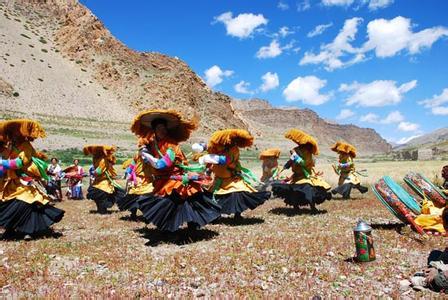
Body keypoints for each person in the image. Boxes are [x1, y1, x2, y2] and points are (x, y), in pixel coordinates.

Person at [131, 109, 221, 233]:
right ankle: (170, 228)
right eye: (159, 128)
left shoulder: (171, 144)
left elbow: (164, 163)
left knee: (182, 202)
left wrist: (148, 157)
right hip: (161, 180)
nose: (162, 130)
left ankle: (190, 227)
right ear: (154, 130)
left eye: (164, 128)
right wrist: (144, 152)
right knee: (169, 204)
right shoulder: (152, 144)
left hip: (174, 179)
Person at [0, 119, 64, 240]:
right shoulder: (12, 147)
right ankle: (10, 229)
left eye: (15, 133)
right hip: (12, 183)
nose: (13, 136)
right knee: (8, 203)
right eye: (11, 133)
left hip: (24, 182)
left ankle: (27, 231)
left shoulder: (26, 146)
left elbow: (19, 163)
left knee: (24, 203)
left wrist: (2, 162)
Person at [199, 129, 271, 219]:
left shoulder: (234, 150)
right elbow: (211, 150)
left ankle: (237, 213)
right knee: (216, 195)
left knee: (237, 194)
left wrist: (211, 158)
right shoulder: (220, 147)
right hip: (219, 179)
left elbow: (227, 160)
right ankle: (216, 214)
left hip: (231, 178)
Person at [272, 129, 332, 213]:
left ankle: (312, 207)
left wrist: (295, 155)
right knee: (294, 192)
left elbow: (303, 164)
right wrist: (284, 168)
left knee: (308, 189)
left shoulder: (307, 153)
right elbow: (291, 161)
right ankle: (296, 207)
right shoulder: (296, 150)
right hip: (297, 176)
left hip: (306, 176)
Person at [118, 138, 154, 220]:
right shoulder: (141, 154)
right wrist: (128, 173)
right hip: (140, 180)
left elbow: (132, 165)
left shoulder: (145, 154)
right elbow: (133, 165)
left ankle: (143, 215)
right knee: (137, 196)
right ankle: (136, 215)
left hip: (144, 180)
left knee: (142, 197)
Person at [84, 145, 125, 214]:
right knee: (98, 197)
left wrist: (93, 173)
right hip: (98, 181)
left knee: (101, 197)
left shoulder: (103, 160)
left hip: (103, 182)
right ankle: (101, 210)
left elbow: (99, 171)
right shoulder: (97, 158)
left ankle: (103, 210)